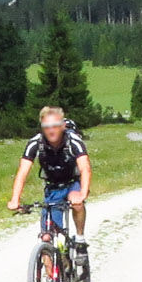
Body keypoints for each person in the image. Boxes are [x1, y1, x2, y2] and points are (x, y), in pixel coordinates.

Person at [7, 106, 92, 261]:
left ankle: (80, 239)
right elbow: (22, 172)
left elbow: (85, 168)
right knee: (46, 237)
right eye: (46, 127)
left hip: (73, 183)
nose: (51, 130)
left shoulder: (73, 141)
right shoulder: (36, 143)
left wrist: (83, 193)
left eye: (54, 126)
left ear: (62, 126)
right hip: (53, 187)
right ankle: (52, 279)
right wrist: (15, 199)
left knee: (76, 202)